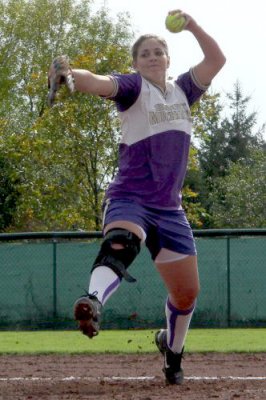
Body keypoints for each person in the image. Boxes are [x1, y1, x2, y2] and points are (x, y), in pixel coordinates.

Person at [48, 10, 226, 385]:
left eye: (158, 51)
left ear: (167, 59)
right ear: (135, 63)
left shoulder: (184, 91)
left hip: (170, 210)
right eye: (144, 53)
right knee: (122, 242)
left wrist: (192, 25)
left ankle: (171, 351)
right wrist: (69, 76)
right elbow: (97, 82)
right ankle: (93, 302)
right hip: (131, 197)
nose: (152, 56)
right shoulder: (132, 88)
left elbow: (216, 60)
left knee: (186, 294)